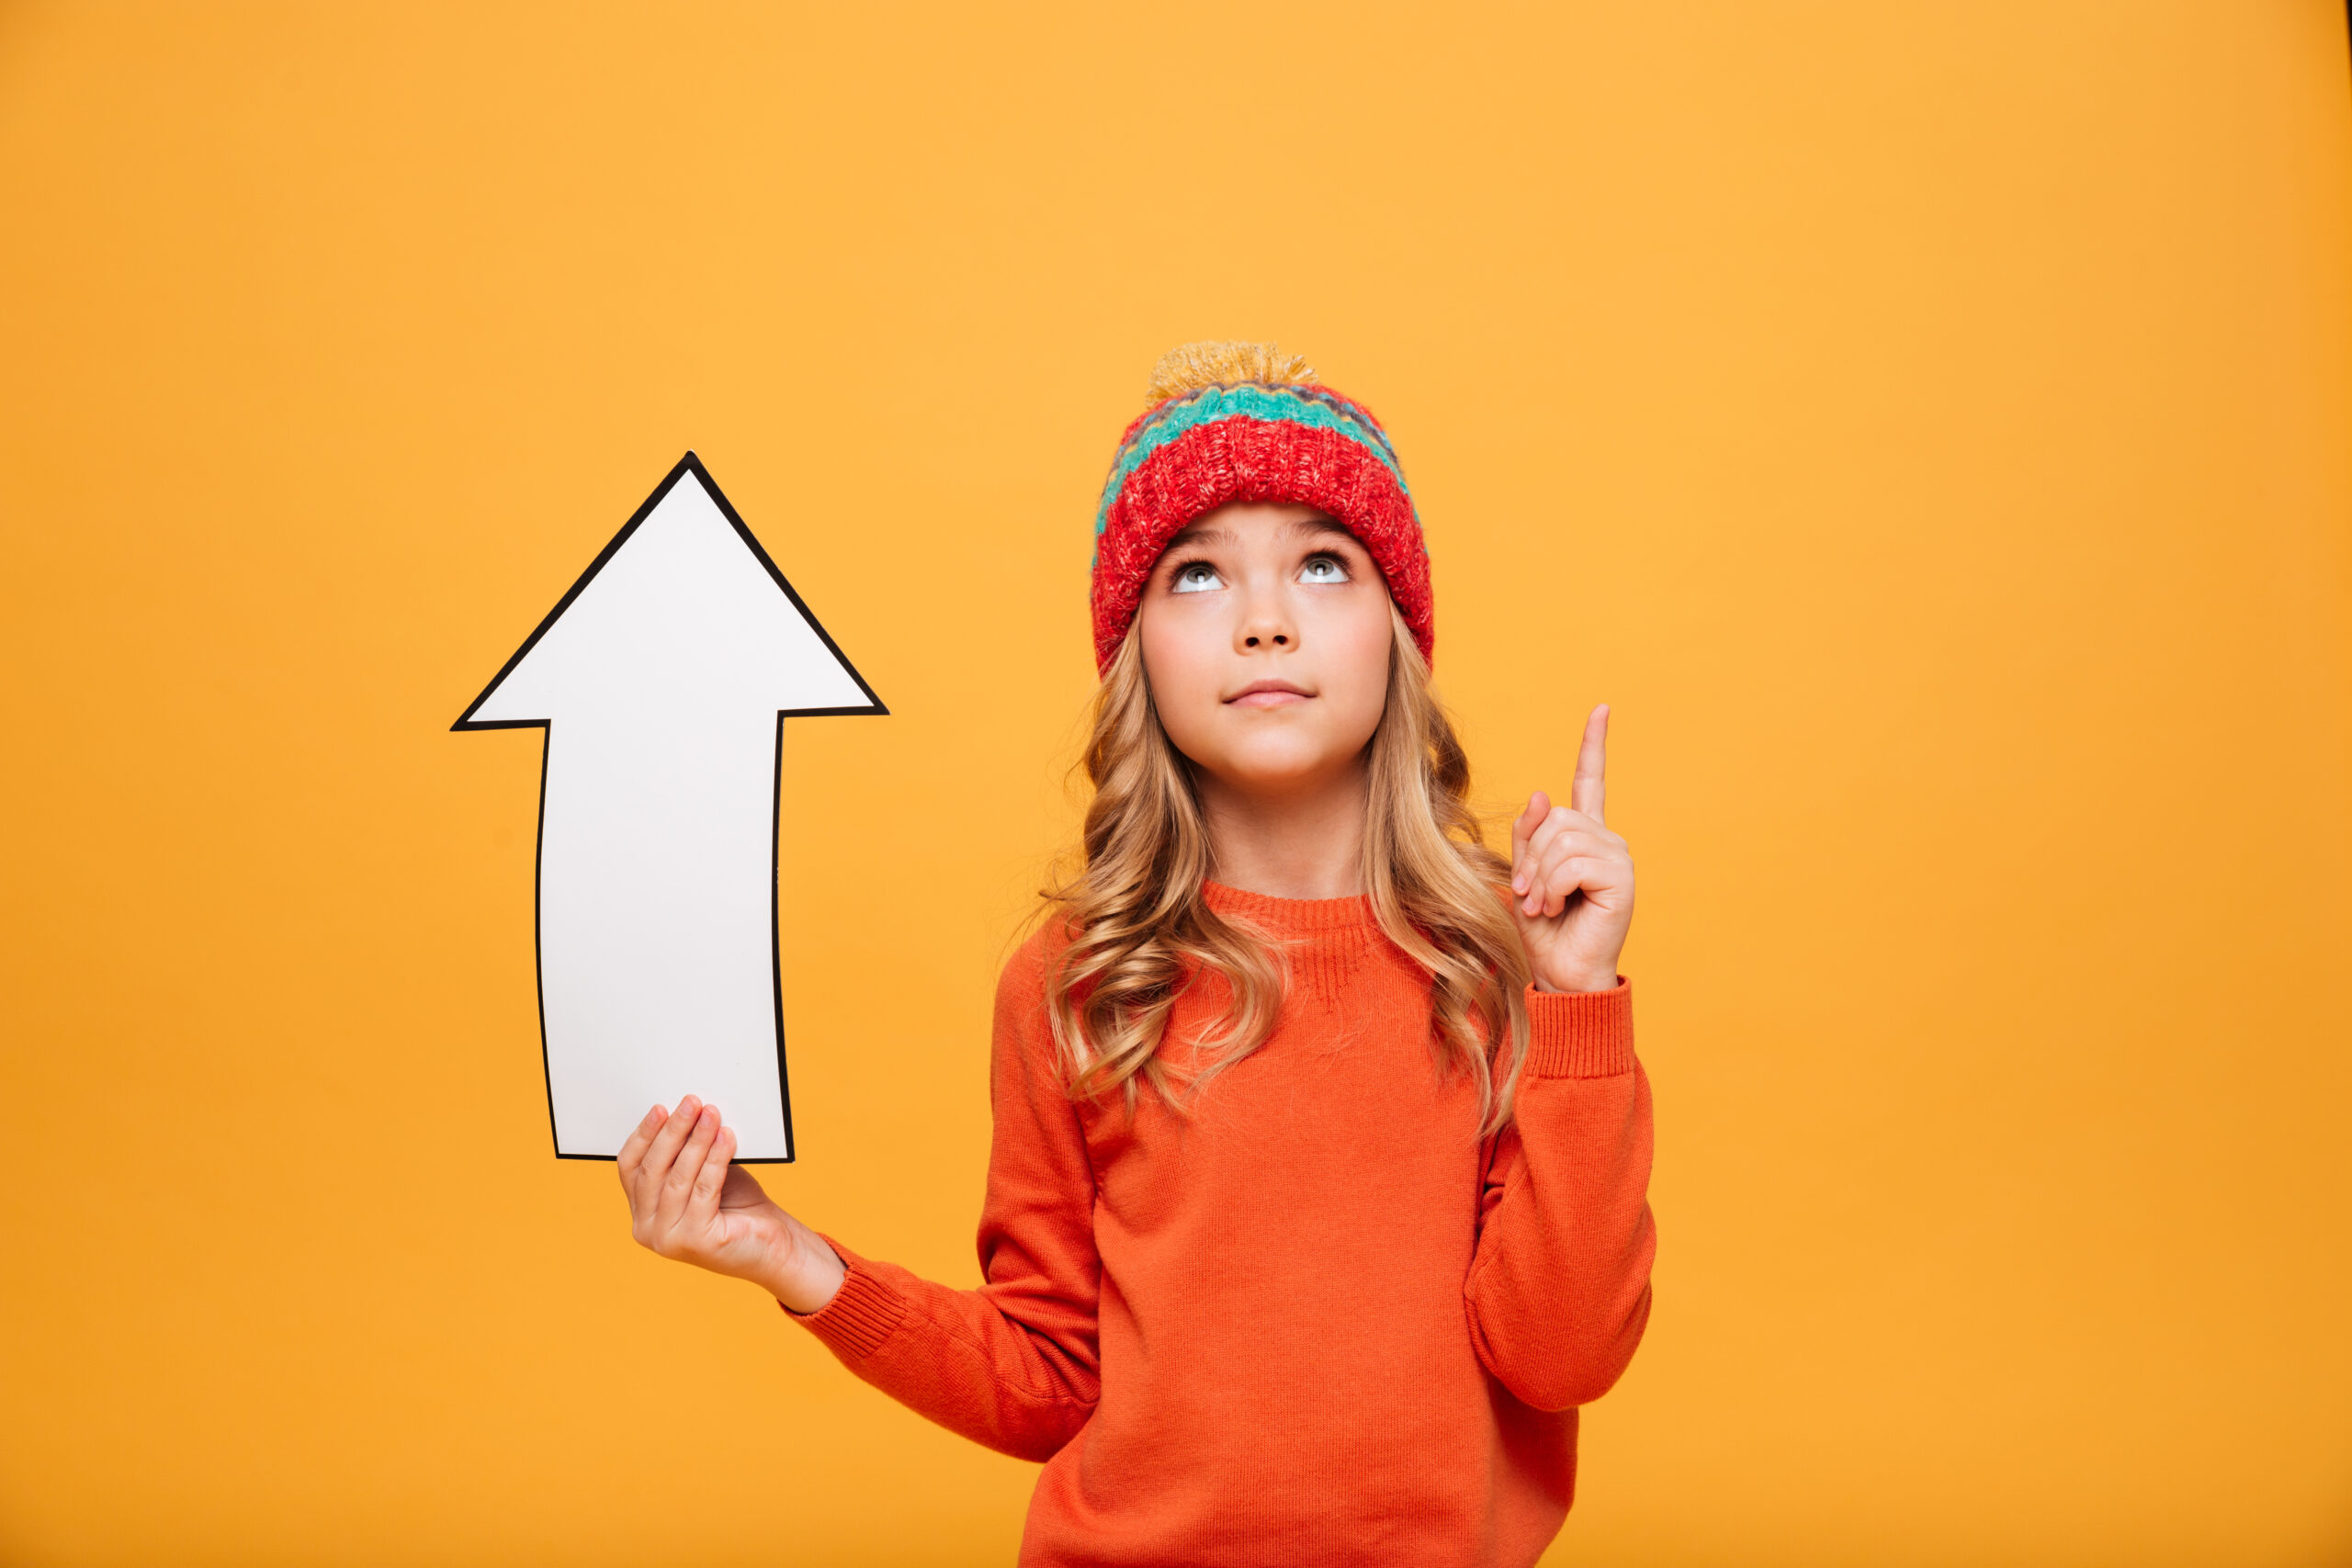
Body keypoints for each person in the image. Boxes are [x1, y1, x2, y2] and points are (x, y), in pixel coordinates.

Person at [615, 342, 1657, 1567]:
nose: (1265, 622)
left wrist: (1575, 1003)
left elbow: (1563, 1357)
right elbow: (1051, 1378)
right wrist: (801, 1264)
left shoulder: (1504, 964)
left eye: (1323, 563)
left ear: (1398, 631)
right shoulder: (1080, 982)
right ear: (1135, 655)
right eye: (1197, 574)